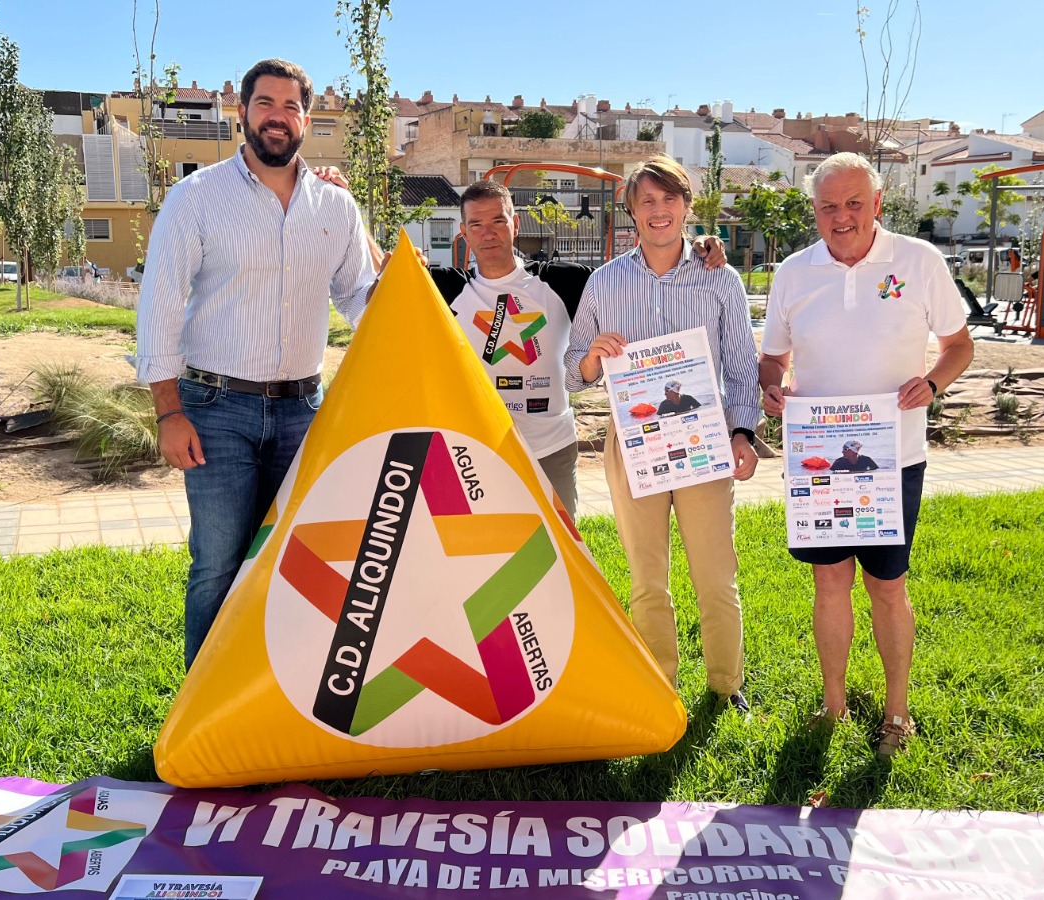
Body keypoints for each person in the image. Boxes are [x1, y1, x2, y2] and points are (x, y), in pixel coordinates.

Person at [136, 58, 379, 670]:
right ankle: (202, 726)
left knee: (298, 564)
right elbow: (160, 307)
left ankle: (276, 707)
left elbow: (363, 299)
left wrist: (365, 223)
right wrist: (169, 411)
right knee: (217, 566)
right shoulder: (196, 198)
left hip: (304, 411)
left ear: (307, 118)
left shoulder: (333, 206)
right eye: (265, 103)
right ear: (241, 112)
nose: (278, 116)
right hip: (217, 411)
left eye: (291, 106)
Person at [758, 151, 974, 755]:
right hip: (820, 462)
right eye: (829, 206)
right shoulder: (794, 274)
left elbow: (959, 346)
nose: (842, 216)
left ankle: (897, 713)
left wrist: (931, 385)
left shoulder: (919, 261)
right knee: (830, 583)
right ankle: (833, 704)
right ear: (815, 211)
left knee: (888, 585)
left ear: (878, 204)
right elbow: (773, 356)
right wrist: (772, 384)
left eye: (855, 203)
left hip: (893, 459)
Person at [565, 155, 761, 713]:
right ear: (631, 211)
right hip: (632, 446)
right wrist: (591, 360)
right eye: (646, 200)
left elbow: (742, 366)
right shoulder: (605, 281)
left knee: (716, 576)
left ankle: (727, 687)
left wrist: (743, 432)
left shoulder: (718, 277)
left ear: (686, 207)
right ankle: (659, 684)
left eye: (669, 198)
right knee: (648, 578)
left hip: (703, 445)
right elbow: (572, 370)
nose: (658, 210)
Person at [417, 179, 726, 519]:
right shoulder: (443, 286)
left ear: (515, 223)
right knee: (491, 549)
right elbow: (376, 303)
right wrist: (396, 267)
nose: (488, 233)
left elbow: (637, 274)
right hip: (479, 449)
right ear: (463, 230)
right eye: (476, 224)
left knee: (563, 557)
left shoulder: (563, 281)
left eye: (498, 221)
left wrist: (693, 246)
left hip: (551, 447)